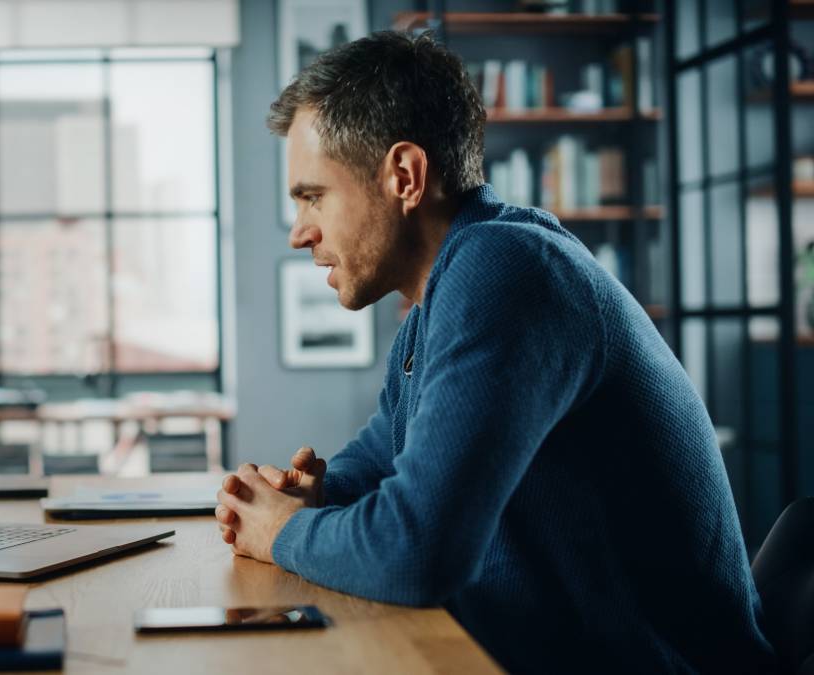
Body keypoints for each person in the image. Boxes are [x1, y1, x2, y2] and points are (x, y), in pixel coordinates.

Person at [214, 31, 774, 673]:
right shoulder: (442, 299)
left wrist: (281, 531)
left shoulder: (506, 269)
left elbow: (417, 552)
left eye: (313, 196)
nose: (299, 233)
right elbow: (377, 465)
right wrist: (306, 495)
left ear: (404, 175)